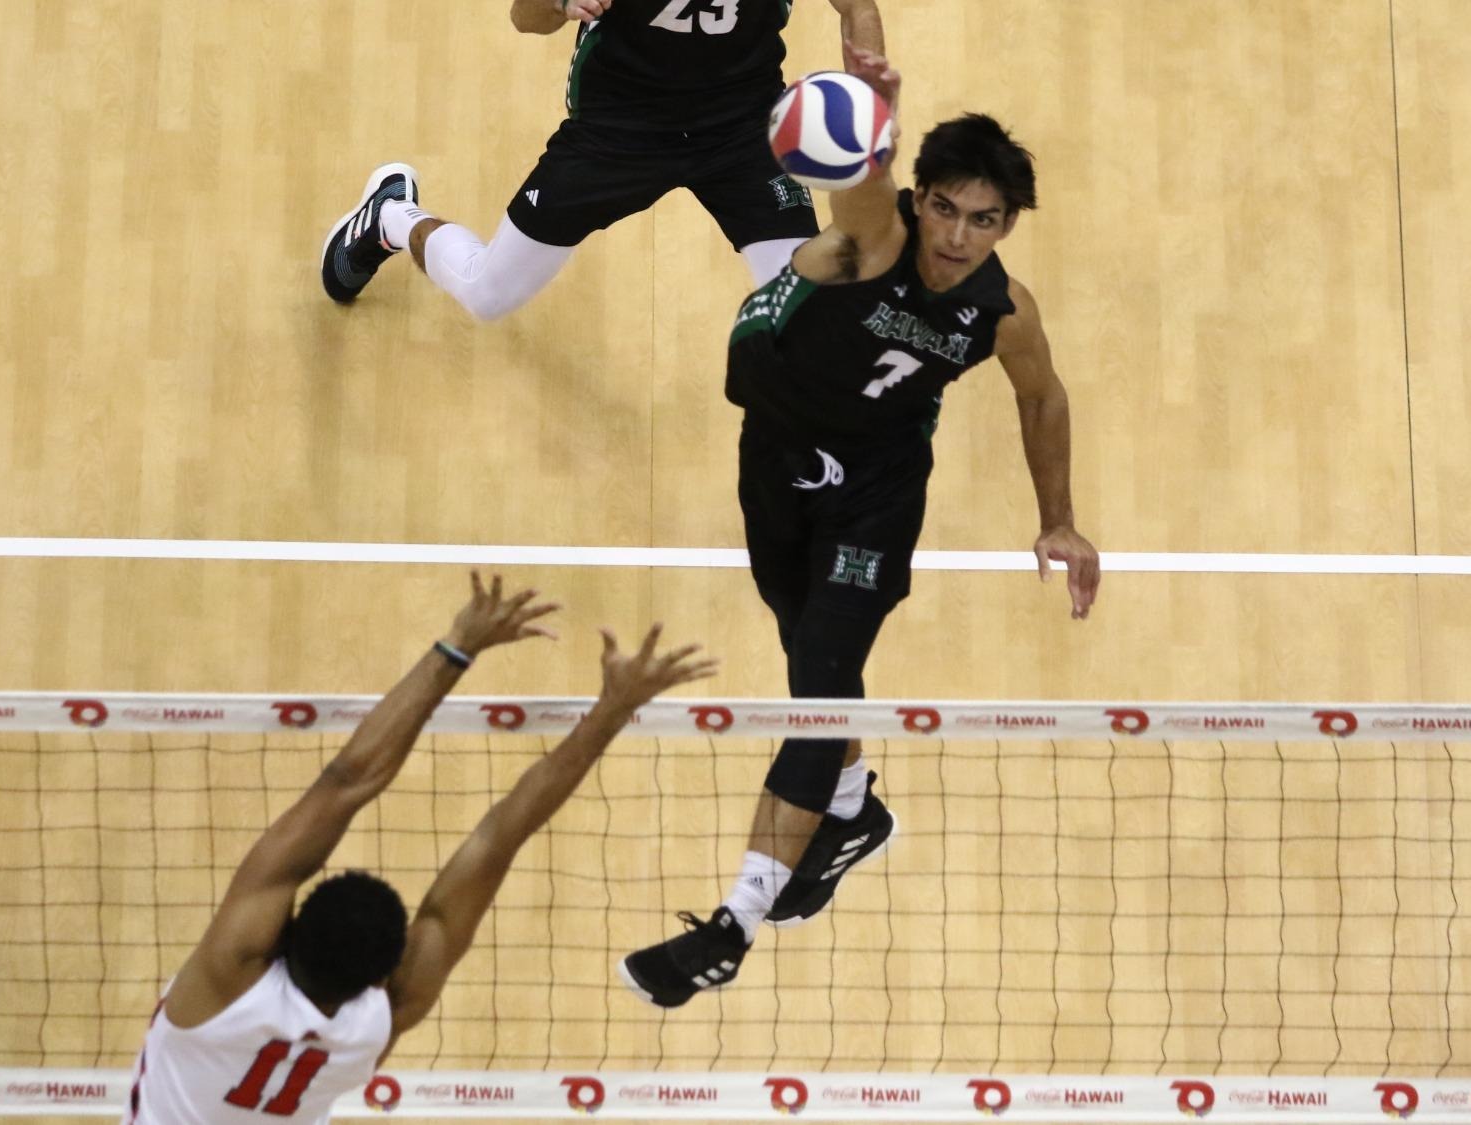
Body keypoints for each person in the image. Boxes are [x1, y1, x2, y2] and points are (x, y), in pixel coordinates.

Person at [617, 46, 1102, 1008]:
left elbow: (1043, 400)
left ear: (1008, 226)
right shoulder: (872, 239)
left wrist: (1061, 522)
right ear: (921, 199)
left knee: (823, 689)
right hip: (777, 459)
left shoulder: (1002, 312)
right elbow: (856, 185)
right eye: (951, 209)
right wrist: (872, 115)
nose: (963, 237)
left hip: (876, 493)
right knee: (809, 660)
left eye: (988, 220)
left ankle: (729, 925)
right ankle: (851, 809)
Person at [124, 572, 715, 1123]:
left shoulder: (230, 974)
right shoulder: (382, 1019)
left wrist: (459, 645)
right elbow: (498, 838)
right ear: (384, 972)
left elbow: (348, 780)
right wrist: (612, 709)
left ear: (290, 925)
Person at [320, 0, 885, 320]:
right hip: (620, 129)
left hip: (743, 130)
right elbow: (525, 16)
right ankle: (391, 218)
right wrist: (563, 4)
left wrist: (870, 101)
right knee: (487, 295)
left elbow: (856, 5)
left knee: (810, 321)